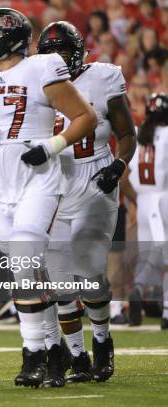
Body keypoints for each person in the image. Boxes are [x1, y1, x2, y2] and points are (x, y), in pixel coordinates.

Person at [0, 8, 97, 388]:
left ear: (11, 38)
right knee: (26, 269)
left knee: (24, 258)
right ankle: (53, 350)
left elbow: (85, 117)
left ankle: (33, 353)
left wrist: (52, 145)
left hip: (37, 177)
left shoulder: (41, 67)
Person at [37, 21, 136, 386]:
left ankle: (102, 340)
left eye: (63, 51)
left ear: (78, 51)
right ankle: (77, 357)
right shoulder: (37, 83)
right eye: (50, 54)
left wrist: (119, 165)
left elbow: (126, 133)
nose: (57, 60)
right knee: (60, 277)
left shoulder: (103, 78)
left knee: (90, 268)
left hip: (96, 175)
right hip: (53, 182)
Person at [128, 93, 168, 330]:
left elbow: (126, 177)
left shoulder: (138, 135)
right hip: (163, 199)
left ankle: (140, 286)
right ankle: (165, 311)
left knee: (151, 255)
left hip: (143, 201)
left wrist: (134, 202)